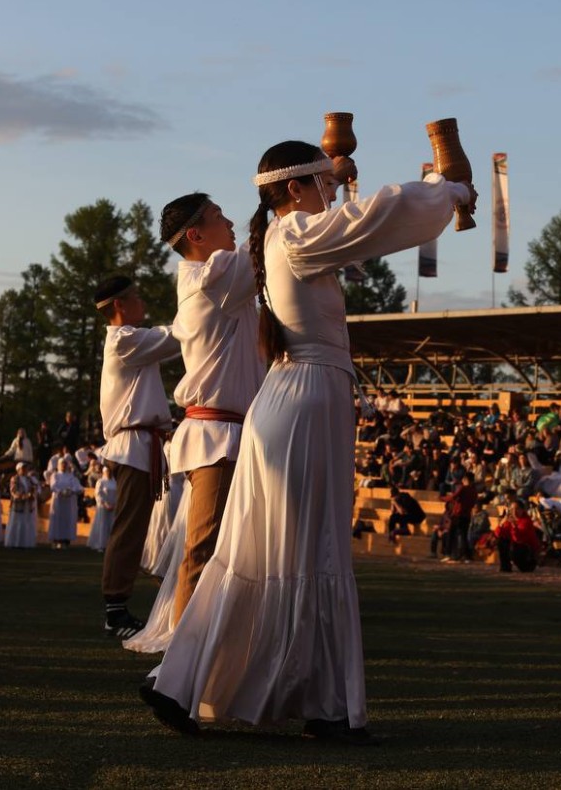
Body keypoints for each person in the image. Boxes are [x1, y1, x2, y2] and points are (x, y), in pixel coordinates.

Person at [141, 138, 475, 743]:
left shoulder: (281, 237)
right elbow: (378, 214)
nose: (330, 194)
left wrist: (339, 174)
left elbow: (354, 215)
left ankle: (188, 684)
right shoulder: (293, 236)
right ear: (295, 190)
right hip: (307, 396)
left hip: (295, 395)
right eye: (319, 184)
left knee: (272, 551)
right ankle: (316, 705)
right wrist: (448, 187)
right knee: (309, 549)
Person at [159, 192, 265, 625]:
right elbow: (269, 245)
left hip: (233, 431)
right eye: (221, 218)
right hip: (217, 437)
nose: (232, 224)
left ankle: (214, 645)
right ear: (196, 234)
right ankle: (182, 661)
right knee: (204, 547)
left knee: (231, 550)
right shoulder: (212, 277)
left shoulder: (215, 280)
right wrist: (292, 191)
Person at [92, 275, 181, 637]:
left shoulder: (130, 341)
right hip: (132, 446)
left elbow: (169, 341)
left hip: (141, 445)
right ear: (119, 306)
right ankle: (115, 611)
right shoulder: (124, 340)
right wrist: (201, 313)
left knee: (135, 527)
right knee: (128, 529)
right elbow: (173, 338)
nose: (143, 303)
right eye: (137, 298)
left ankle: (121, 606)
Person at [496, 498, 543, 573]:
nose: (514, 512)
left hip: (528, 553)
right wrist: (502, 523)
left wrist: (514, 526)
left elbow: (518, 538)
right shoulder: (510, 520)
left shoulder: (526, 521)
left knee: (515, 545)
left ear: (522, 510)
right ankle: (505, 567)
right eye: (512, 509)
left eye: (517, 509)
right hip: (517, 547)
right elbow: (498, 534)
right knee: (502, 541)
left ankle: (525, 566)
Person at [4, 462, 38, 549]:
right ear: (18, 470)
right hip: (18, 505)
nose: (25, 470)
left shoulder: (29, 479)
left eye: (25, 468)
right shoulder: (14, 479)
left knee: (26, 523)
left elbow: (34, 488)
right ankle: (15, 543)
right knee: (17, 523)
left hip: (27, 505)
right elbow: (14, 491)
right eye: (23, 468)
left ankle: (25, 543)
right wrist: (24, 496)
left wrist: (32, 495)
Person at [89, 464, 116, 553]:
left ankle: (110, 545)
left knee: (111, 526)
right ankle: (100, 545)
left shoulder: (114, 482)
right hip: (103, 508)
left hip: (113, 507)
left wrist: (114, 504)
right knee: (102, 525)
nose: (108, 473)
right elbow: (98, 494)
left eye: (110, 472)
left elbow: (118, 494)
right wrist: (104, 504)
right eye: (107, 472)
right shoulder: (100, 482)